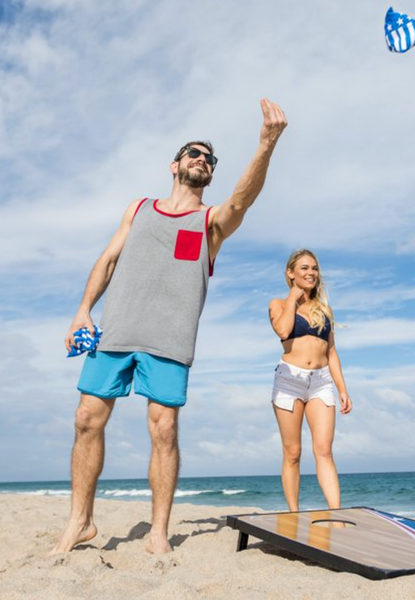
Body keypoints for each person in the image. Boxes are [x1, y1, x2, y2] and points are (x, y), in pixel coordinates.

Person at [52, 99, 287, 554]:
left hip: (169, 342)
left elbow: (242, 199)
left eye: (209, 158)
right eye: (193, 153)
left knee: (163, 430)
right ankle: (79, 522)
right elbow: (109, 259)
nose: (201, 159)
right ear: (174, 164)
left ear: (211, 174)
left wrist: (266, 145)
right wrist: (83, 311)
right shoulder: (138, 208)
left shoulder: (210, 223)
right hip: (115, 332)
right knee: (86, 420)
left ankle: (158, 532)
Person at [268, 249, 352, 512]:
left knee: (324, 450)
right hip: (289, 381)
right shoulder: (278, 304)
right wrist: (294, 296)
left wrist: (342, 389)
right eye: (303, 268)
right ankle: (294, 513)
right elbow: (282, 330)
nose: (311, 273)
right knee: (292, 453)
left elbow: (331, 352)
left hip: (321, 381)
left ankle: (336, 513)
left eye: (314, 268)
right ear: (290, 273)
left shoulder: (324, 310)